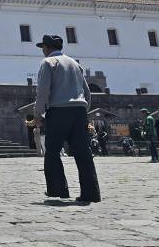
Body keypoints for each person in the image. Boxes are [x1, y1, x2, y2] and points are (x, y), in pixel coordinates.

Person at [34, 34, 101, 203]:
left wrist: (38, 114)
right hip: (79, 112)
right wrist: (83, 110)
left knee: (53, 152)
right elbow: (87, 92)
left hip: (58, 111)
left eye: (43, 47)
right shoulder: (75, 64)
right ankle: (91, 193)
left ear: (47, 48)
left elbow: (43, 92)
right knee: (83, 153)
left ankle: (58, 190)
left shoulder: (48, 63)